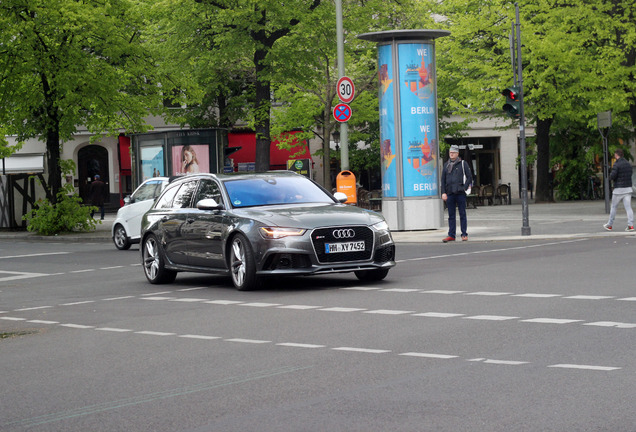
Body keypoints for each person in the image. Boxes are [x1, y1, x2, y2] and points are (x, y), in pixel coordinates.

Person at [441, 145, 472, 242]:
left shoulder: (463, 163)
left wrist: (464, 187)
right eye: (450, 152)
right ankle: (451, 235)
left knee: (462, 213)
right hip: (450, 192)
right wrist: (443, 192)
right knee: (451, 215)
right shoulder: (446, 165)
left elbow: (470, 177)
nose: (451, 154)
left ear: (457, 154)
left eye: (453, 153)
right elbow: (443, 180)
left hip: (460, 192)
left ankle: (464, 234)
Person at [603, 148, 634, 231]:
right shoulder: (628, 164)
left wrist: (610, 177)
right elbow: (631, 173)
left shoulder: (616, 164)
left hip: (618, 189)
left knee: (613, 207)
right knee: (628, 207)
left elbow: (613, 176)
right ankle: (630, 225)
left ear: (616, 155)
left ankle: (610, 224)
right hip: (628, 188)